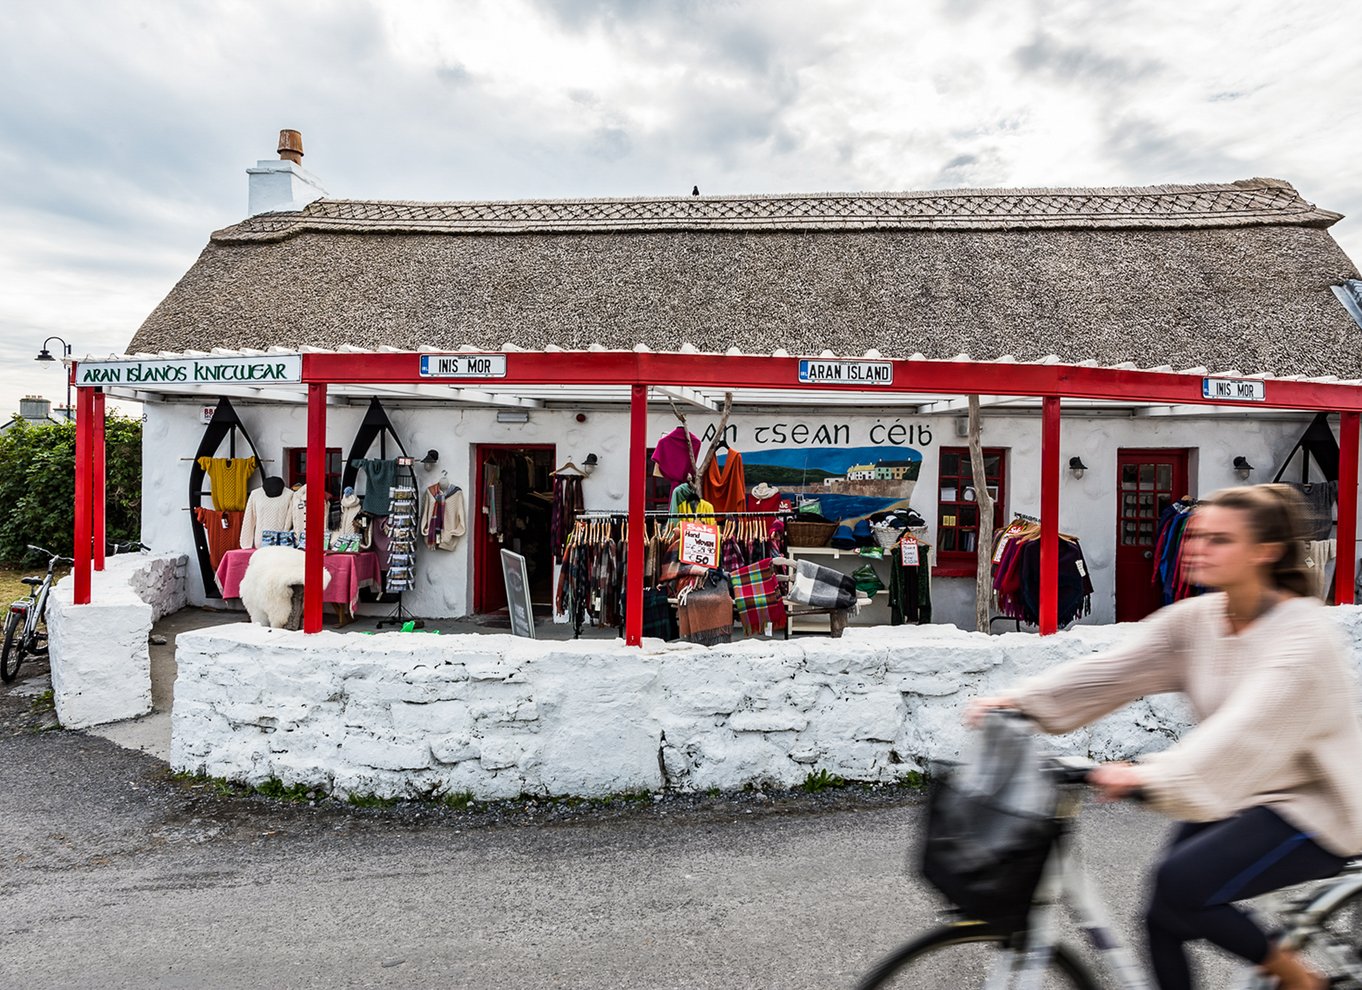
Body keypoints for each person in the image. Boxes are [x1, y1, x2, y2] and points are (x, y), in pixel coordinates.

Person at [968, 485, 1362, 990]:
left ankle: (1305, 983)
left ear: (1265, 552)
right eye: (1197, 535)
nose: (1196, 547)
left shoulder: (1301, 639)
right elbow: (1114, 672)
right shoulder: (1199, 620)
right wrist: (1021, 703)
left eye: (1220, 539)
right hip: (1241, 787)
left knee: (1183, 884)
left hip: (1315, 803)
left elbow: (1244, 730)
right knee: (1162, 913)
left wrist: (1149, 776)